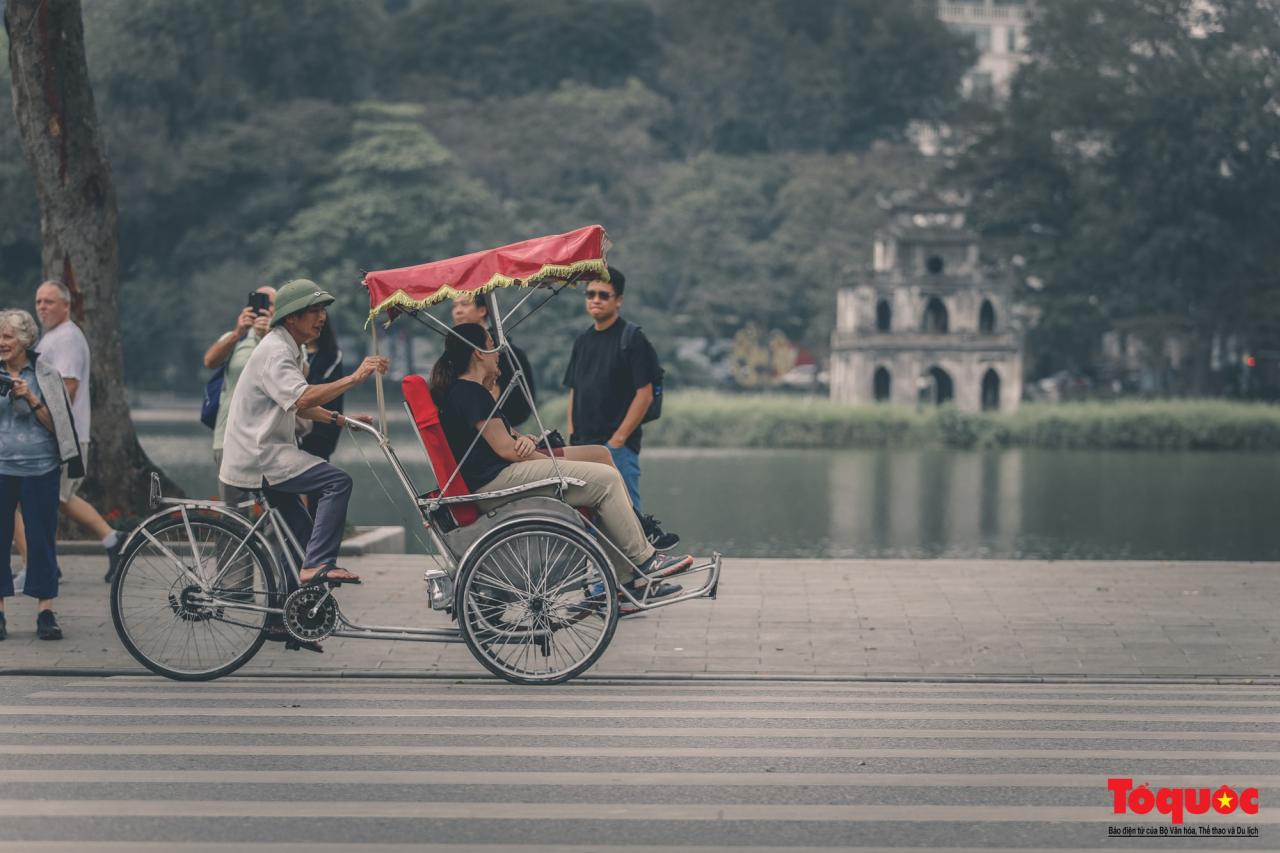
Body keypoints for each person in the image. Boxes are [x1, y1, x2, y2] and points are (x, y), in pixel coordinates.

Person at [431, 323, 693, 609]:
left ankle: (623, 579)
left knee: (601, 464)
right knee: (605, 480)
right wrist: (556, 465)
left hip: (498, 474)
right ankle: (644, 559)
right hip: (496, 481)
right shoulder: (469, 393)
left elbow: (509, 442)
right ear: (478, 353)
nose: (498, 351)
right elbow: (507, 450)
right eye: (492, 343)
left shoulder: (467, 392)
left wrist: (530, 442)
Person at [219, 279, 387, 589]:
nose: (321, 317)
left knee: (300, 534)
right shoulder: (276, 352)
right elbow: (302, 399)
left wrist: (341, 419)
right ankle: (318, 565)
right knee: (337, 482)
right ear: (291, 317)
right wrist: (354, 378)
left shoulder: (288, 348)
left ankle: (285, 616)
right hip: (261, 457)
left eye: (323, 310)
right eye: (313, 311)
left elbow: (296, 404)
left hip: (268, 453)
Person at [563, 267, 679, 550]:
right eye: (590, 294)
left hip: (617, 449)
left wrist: (617, 440)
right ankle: (600, 586)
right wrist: (572, 436)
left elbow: (645, 394)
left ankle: (633, 583)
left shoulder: (632, 339)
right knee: (588, 520)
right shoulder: (583, 341)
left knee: (626, 518)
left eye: (604, 295)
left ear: (619, 300)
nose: (596, 300)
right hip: (582, 448)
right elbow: (574, 392)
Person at [33, 280, 124, 583]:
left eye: (49, 301)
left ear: (66, 305)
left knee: (37, 497)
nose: (42, 307)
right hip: (57, 434)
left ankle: (43, 565)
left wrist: (37, 414)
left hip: (62, 435)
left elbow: (67, 389)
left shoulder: (67, 339)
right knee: (58, 497)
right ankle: (113, 541)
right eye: (39, 302)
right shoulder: (52, 338)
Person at [0, 310, 82, 641]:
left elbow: (59, 427)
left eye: (7, 337)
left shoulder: (46, 375)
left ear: (25, 340)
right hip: (2, 468)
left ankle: (45, 611)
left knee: (42, 540)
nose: (1, 343)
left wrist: (31, 398)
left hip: (41, 468)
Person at [203, 285, 276, 507]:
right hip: (229, 436)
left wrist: (267, 337)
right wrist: (237, 333)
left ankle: (273, 543)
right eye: (257, 302)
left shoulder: (283, 340)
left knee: (277, 511)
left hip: (269, 439)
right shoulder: (236, 338)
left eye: (269, 303)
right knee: (233, 513)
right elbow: (209, 361)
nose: (262, 308)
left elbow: (301, 375)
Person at [451, 292, 536, 427]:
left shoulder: (494, 350)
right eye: (454, 306)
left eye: (465, 304)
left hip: (496, 421)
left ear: (482, 310)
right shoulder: (463, 348)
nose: (458, 311)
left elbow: (491, 393)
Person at [299, 320, 346, 510]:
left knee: (318, 488)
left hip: (320, 429)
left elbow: (321, 391)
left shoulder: (331, 356)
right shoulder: (291, 353)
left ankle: (314, 531)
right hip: (295, 428)